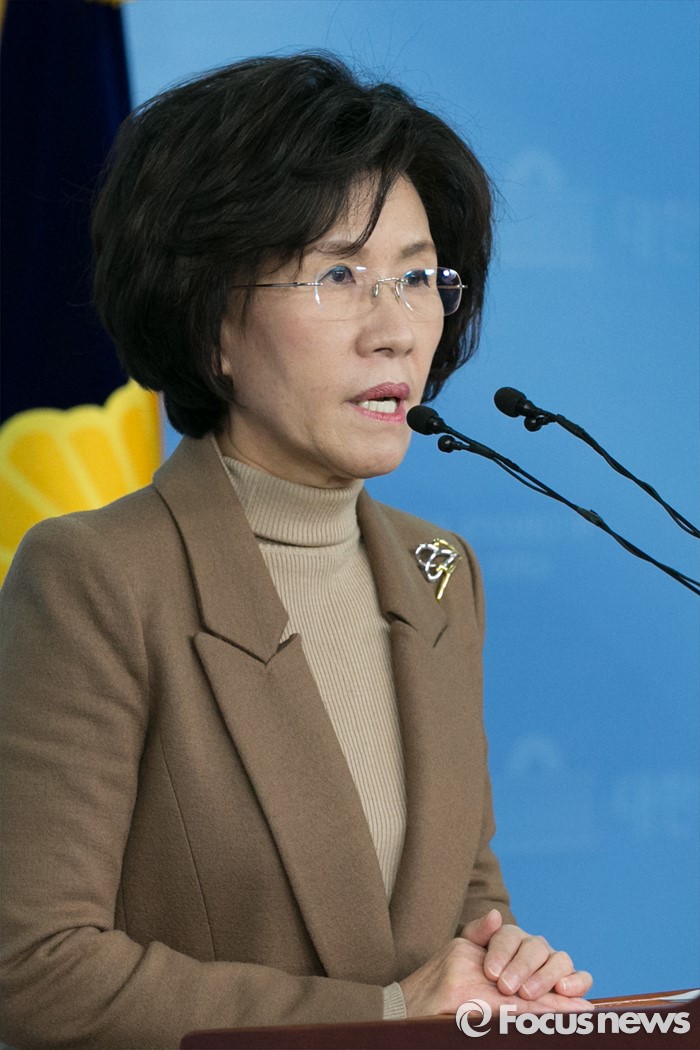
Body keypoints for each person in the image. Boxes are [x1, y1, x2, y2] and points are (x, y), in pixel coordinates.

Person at [0, 52, 592, 1050]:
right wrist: (386, 1017)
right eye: (338, 276)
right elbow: (34, 971)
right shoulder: (97, 578)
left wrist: (504, 963)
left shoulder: (440, 570)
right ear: (210, 323)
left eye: (418, 276)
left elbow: (462, 895)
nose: (396, 330)